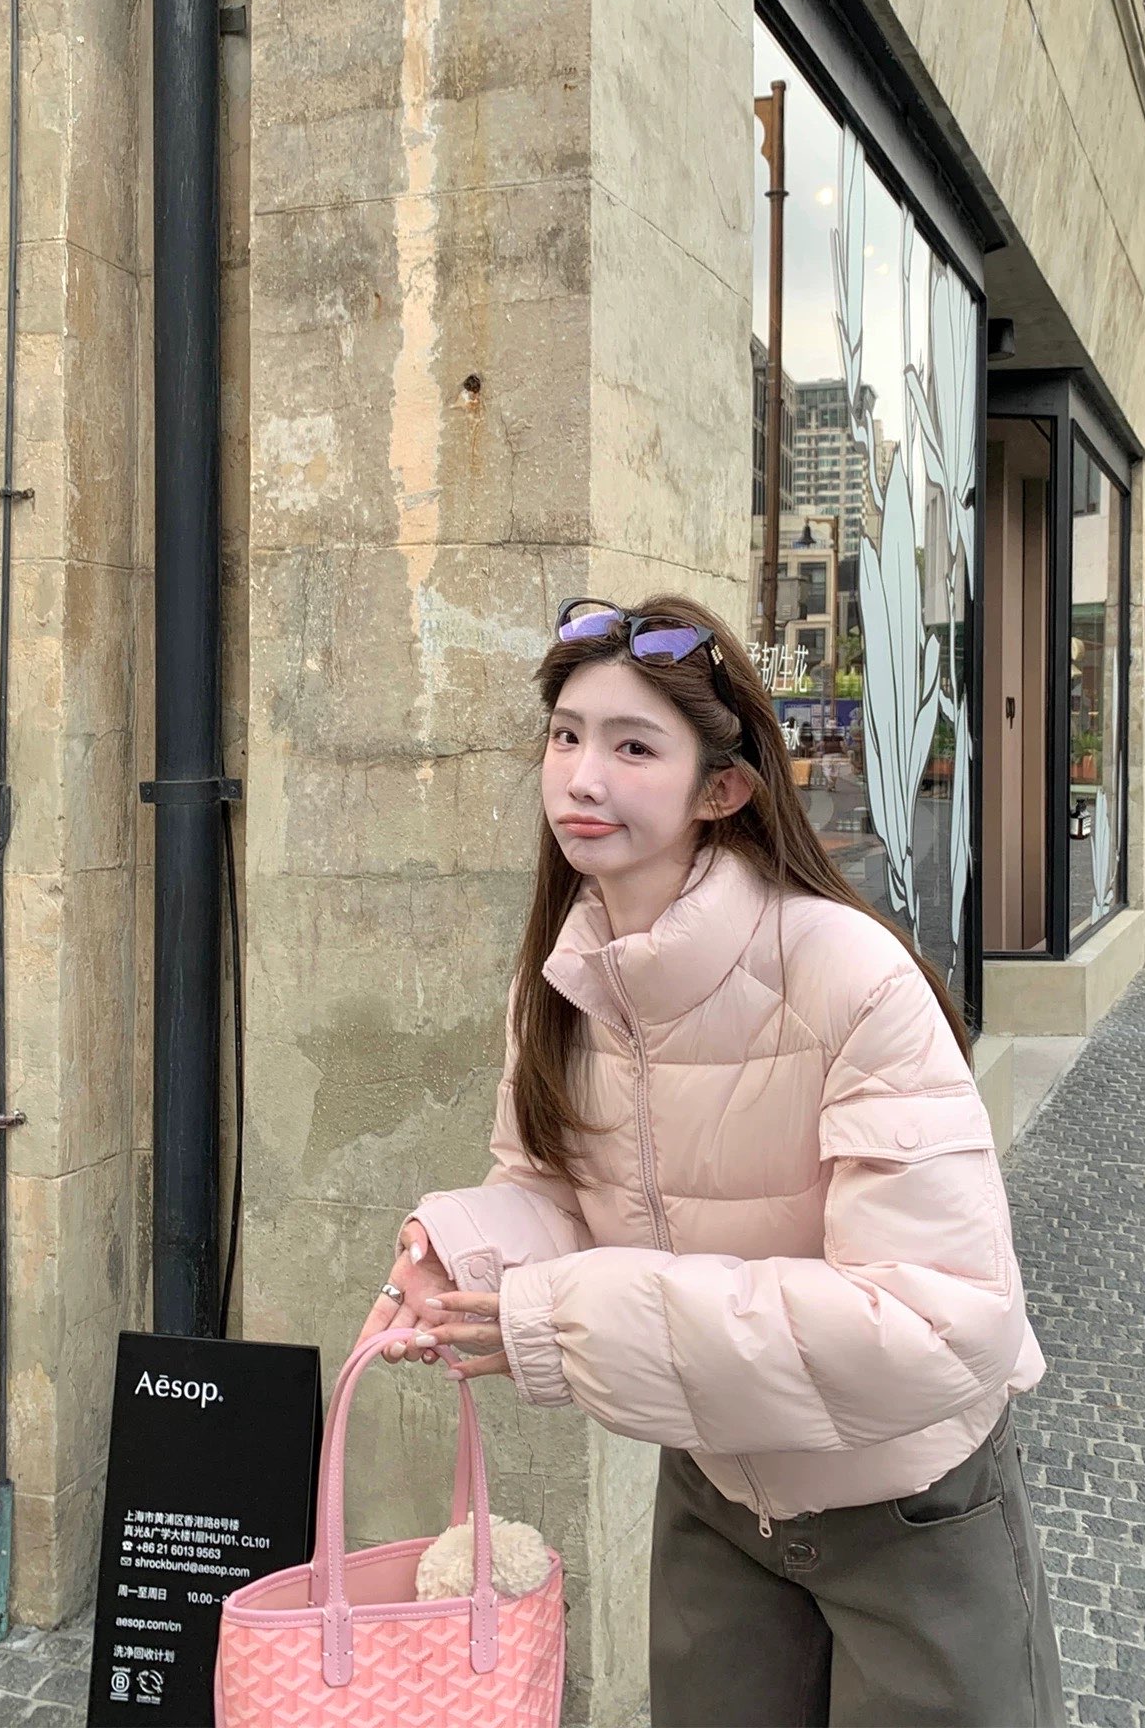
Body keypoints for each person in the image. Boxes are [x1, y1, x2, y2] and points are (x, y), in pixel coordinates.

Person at [359, 593, 1065, 1728]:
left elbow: (944, 1325)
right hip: (715, 1494)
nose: (582, 778)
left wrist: (573, 1321)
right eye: (566, 736)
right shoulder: (562, 981)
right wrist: (468, 1248)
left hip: (911, 1506)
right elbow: (553, 1185)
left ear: (721, 790)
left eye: (634, 747)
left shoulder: (850, 977)